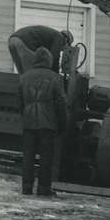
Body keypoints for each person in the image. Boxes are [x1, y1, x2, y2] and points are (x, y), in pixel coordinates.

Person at [17, 46, 68, 196]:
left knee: (28, 157)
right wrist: (62, 124)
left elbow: (19, 102)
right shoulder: (55, 78)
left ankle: (26, 188)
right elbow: (61, 103)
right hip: (48, 124)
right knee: (46, 157)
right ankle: (43, 188)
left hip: (29, 123)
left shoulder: (24, 77)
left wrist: (25, 115)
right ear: (48, 60)